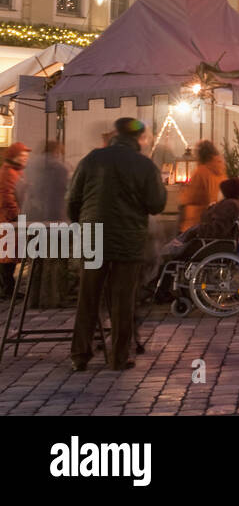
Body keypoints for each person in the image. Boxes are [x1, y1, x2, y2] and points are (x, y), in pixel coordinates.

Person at [68, 118, 166, 372]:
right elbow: (157, 204)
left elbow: (73, 200)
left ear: (115, 134)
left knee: (88, 298)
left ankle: (80, 355)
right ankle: (119, 358)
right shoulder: (145, 165)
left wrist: (83, 223)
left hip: (92, 236)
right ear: (140, 138)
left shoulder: (91, 159)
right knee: (123, 300)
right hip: (128, 238)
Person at [19, 142, 73, 308]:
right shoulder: (60, 168)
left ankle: (33, 298)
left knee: (35, 261)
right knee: (54, 261)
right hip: (54, 219)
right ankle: (51, 298)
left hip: (31, 218)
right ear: (57, 151)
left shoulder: (30, 166)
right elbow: (60, 196)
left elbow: (21, 191)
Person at [0, 142, 29, 299]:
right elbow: (6, 196)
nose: (25, 159)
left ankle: (7, 288)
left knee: (9, 254)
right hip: (8, 220)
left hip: (11, 219)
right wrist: (15, 215)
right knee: (7, 255)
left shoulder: (15, 172)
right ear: (13, 157)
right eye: (22, 156)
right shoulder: (8, 173)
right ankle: (7, 289)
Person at [178, 141, 225, 233]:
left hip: (195, 221)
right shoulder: (221, 172)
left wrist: (183, 197)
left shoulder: (200, 172)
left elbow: (190, 196)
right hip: (213, 221)